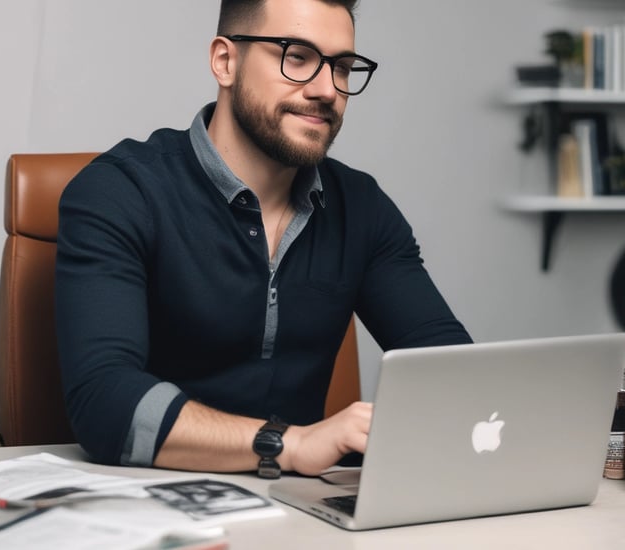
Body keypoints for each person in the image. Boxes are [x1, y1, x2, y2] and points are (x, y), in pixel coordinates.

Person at [55, 0, 472, 479]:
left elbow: (451, 372)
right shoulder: (120, 191)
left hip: (302, 512)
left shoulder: (361, 205)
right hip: (150, 505)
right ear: (225, 61)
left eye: (341, 67)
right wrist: (291, 445)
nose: (326, 90)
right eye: (297, 56)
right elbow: (104, 402)